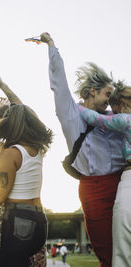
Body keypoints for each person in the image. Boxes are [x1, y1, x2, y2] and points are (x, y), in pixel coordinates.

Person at [40, 32, 124, 267]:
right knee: (106, 253)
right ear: (91, 92)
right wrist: (52, 47)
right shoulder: (72, 115)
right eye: (107, 94)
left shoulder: (115, 118)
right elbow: (59, 85)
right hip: (94, 189)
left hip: (123, 182)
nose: (110, 99)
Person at [0, 75, 52, 266]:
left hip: (19, 221)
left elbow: (1, 196)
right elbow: (22, 110)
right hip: (39, 221)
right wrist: (3, 86)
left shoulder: (10, 153)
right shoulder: (37, 148)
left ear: (10, 124)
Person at [78, 81, 131, 267]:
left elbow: (96, 119)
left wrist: (78, 106)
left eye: (116, 110)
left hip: (129, 178)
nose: (113, 113)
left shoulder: (125, 120)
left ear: (124, 104)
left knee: (123, 245)